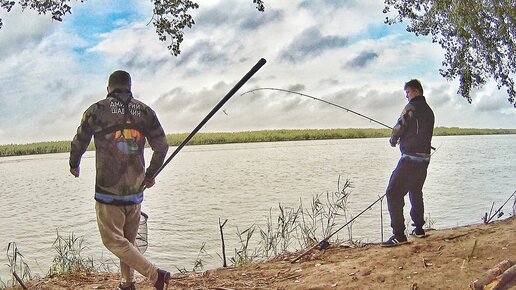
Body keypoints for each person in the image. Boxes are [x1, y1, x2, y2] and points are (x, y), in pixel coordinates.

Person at [69, 70, 171, 289]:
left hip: (108, 190)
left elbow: (80, 140)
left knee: (113, 240)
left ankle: (155, 275)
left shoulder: (96, 111)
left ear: (108, 89)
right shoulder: (145, 112)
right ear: (130, 87)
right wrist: (150, 174)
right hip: (135, 190)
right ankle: (128, 283)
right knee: (128, 242)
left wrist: (74, 163)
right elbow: (162, 146)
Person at [381, 79, 435, 247]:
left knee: (393, 193)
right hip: (424, 159)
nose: (407, 97)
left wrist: (393, 139)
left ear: (416, 91)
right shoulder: (429, 111)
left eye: (408, 93)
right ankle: (419, 229)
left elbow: (399, 126)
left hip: (410, 159)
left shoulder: (411, 107)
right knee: (415, 190)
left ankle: (399, 234)